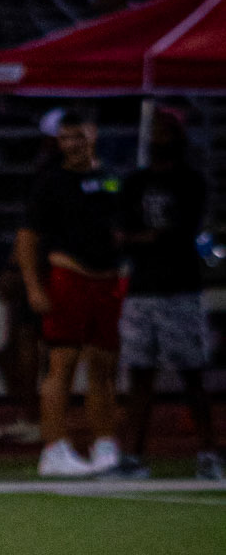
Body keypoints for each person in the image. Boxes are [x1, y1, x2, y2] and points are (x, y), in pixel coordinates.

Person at [15, 109, 123, 478]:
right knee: (62, 363)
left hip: (108, 280)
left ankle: (104, 444)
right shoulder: (51, 181)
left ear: (93, 134)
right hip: (69, 277)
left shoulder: (110, 176)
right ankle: (54, 448)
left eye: (78, 136)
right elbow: (27, 237)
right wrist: (34, 286)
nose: (72, 145)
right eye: (65, 138)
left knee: (104, 365)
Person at [115, 113, 219, 479]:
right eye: (155, 131)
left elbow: (181, 231)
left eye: (166, 132)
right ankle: (132, 456)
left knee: (192, 375)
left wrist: (144, 238)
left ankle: (208, 454)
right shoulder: (135, 182)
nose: (159, 138)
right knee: (139, 376)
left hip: (180, 289)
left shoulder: (190, 181)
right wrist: (146, 238)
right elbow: (122, 232)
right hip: (142, 289)